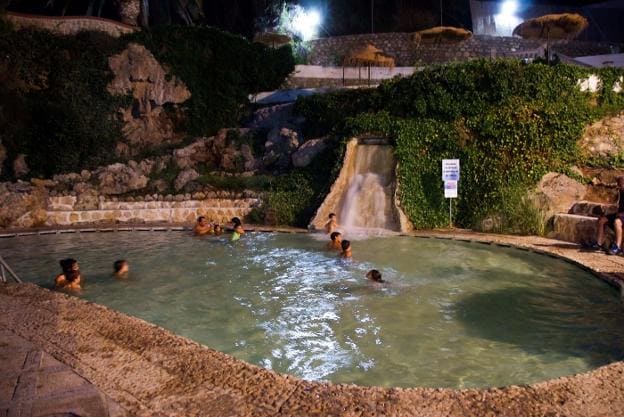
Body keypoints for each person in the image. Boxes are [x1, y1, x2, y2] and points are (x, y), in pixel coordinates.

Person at [589, 176, 624, 255]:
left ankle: (617, 247)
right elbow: (610, 186)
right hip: (620, 214)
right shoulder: (620, 190)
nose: (619, 185)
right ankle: (599, 244)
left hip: (622, 215)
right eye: (618, 183)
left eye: (620, 183)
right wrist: (599, 183)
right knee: (602, 220)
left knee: (617, 222)